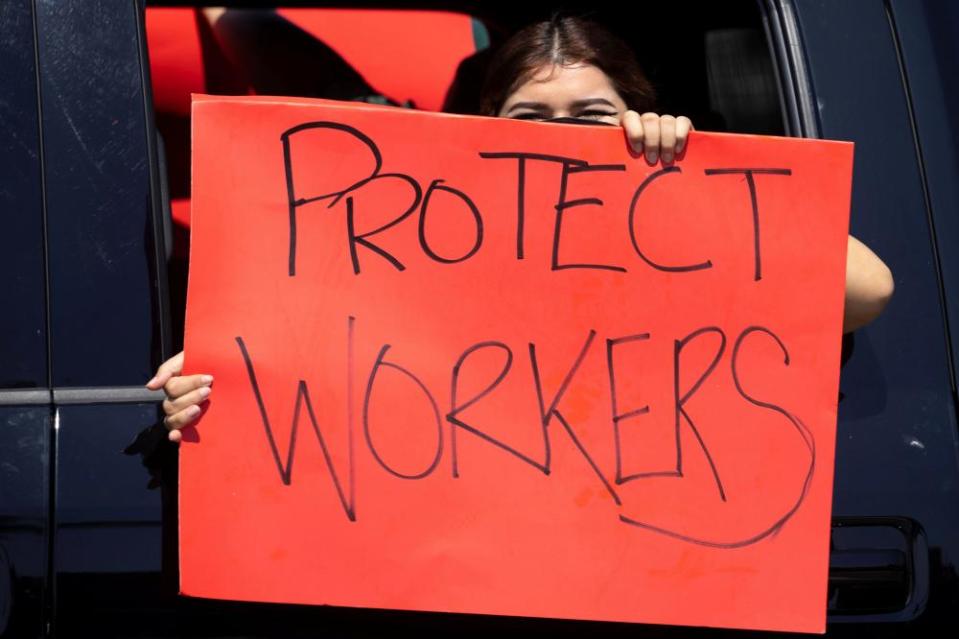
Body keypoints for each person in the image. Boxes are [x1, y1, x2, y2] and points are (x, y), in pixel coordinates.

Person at [147, 15, 894, 443]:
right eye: (529, 119)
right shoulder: (420, 235)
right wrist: (216, 383)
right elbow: (322, 340)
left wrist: (688, 181)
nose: (559, 139)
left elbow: (865, 290)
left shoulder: (685, 242)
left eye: (592, 116)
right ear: (483, 132)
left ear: (636, 115)